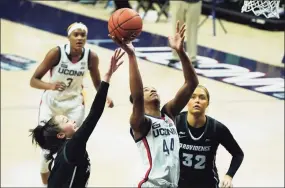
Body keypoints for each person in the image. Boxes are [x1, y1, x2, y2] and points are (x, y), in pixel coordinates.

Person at [109, 20, 199, 187]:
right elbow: (136, 95)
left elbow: (191, 83)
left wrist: (181, 52)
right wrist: (131, 55)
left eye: (153, 88)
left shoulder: (169, 113)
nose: (152, 90)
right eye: (146, 90)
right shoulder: (141, 123)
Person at [29, 22, 114, 184]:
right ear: (69, 37)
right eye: (76, 34)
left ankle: (77, 178)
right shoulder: (56, 53)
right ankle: (47, 183)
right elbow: (33, 80)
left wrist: (105, 96)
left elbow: (97, 82)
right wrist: (50, 86)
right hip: (52, 103)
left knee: (77, 143)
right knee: (46, 149)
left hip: (74, 104)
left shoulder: (91, 56)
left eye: (83, 35)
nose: (80, 38)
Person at [175, 85, 244, 188]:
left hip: (207, 183)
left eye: (202, 97)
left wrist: (229, 176)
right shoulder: (175, 123)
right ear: (186, 101)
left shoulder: (217, 128)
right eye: (192, 97)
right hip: (179, 183)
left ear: (207, 103)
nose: (197, 101)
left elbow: (238, 154)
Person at [171, 0, 202, 67]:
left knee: (193, 30)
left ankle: (192, 58)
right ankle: (175, 55)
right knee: (177, 28)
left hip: (195, 2)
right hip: (178, 2)